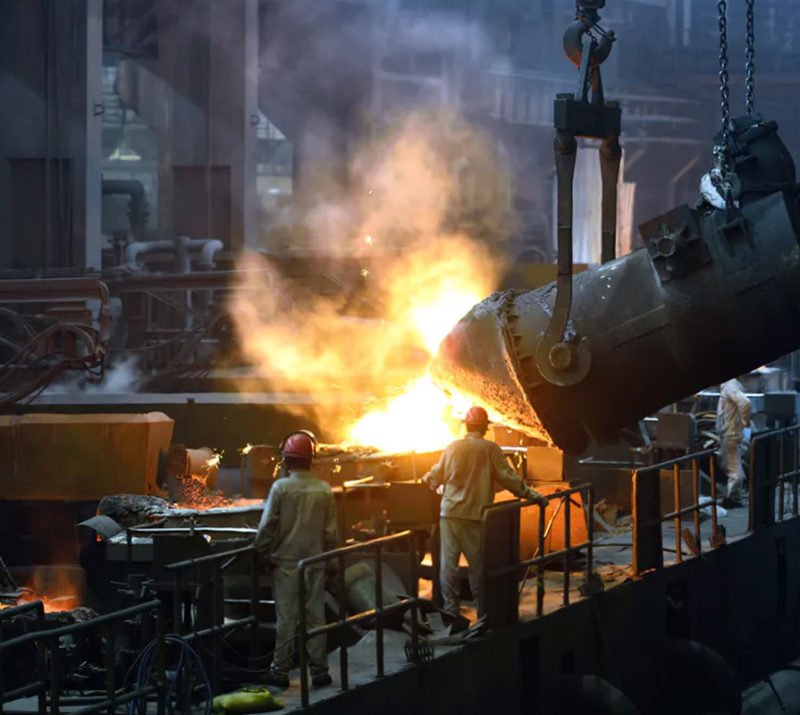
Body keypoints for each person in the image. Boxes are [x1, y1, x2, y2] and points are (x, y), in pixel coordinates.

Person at [421, 406, 548, 619]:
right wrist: (533, 496)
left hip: (449, 513)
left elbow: (435, 476)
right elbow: (508, 478)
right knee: (477, 566)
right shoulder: (490, 449)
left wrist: (426, 480)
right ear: (485, 428)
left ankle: (450, 611)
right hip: (474, 515)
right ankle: (482, 611)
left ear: (466, 426)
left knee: (448, 565)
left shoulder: (452, 447)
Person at [255, 431, 338, 689]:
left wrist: (261, 552)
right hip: (315, 563)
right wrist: (331, 562)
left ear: (287, 460)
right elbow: (331, 533)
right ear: (311, 459)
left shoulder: (281, 488)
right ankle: (320, 671)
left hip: (286, 565)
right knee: (316, 619)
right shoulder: (324, 490)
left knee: (287, 620)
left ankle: (280, 671)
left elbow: (267, 526)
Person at [717, 378, 752, 507]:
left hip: (730, 434)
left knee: (734, 468)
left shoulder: (730, 385)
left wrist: (744, 421)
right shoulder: (728, 385)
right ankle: (734, 496)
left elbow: (745, 402)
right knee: (732, 465)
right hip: (730, 433)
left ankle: (732, 498)